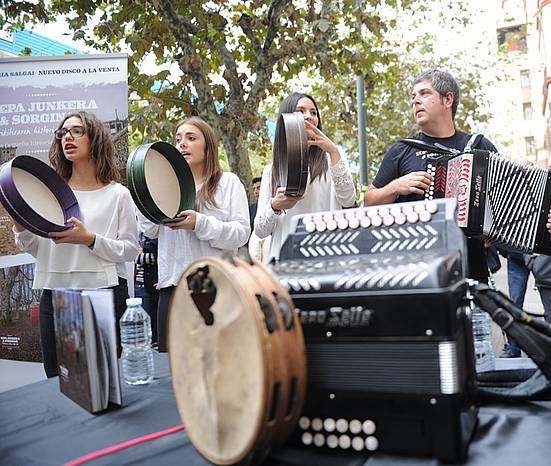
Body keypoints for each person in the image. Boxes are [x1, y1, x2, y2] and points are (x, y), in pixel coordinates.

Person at [364, 69, 551, 282]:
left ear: (448, 99)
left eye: (424, 94)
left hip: (471, 271)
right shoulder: (402, 150)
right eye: (413, 97)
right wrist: (396, 186)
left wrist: (550, 217)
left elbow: (510, 206)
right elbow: (369, 202)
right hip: (416, 272)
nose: (415, 101)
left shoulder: (480, 147)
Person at [14, 111, 139, 377]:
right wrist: (20, 226)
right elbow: (38, 249)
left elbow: (129, 249)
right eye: (62, 133)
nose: (67, 137)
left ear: (95, 139)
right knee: (57, 381)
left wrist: (90, 240)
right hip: (54, 294)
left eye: (77, 131)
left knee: (104, 382)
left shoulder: (118, 195)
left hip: (103, 293)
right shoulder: (49, 194)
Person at [138, 116, 250, 352]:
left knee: (220, 365)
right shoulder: (166, 188)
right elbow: (149, 231)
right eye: (178, 139)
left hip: (216, 287)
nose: (182, 144)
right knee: (174, 372)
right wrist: (146, 194)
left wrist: (199, 223)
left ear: (208, 146)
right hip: (173, 287)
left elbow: (241, 234)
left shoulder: (228, 183)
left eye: (191, 138)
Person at [255, 92, 357, 261]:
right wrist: (274, 205)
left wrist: (333, 151)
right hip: (286, 259)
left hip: (328, 256)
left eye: (313, 112)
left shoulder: (332, 159)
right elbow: (260, 230)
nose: (309, 117)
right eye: (300, 111)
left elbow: (348, 200)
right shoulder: (272, 170)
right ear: (286, 119)